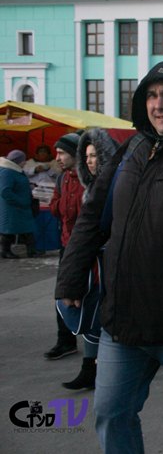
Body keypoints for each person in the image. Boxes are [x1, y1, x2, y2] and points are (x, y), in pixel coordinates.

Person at [55, 60, 163, 454]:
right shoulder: (132, 149)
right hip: (122, 326)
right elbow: (92, 216)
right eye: (151, 95)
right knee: (110, 414)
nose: (159, 104)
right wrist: (70, 277)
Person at [59, 128, 120, 390]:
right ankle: (90, 367)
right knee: (91, 313)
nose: (90, 161)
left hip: (109, 264)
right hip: (88, 261)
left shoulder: (117, 188)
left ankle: (95, 368)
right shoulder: (87, 187)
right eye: (86, 157)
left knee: (99, 315)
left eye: (94, 155)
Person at [45, 131, 84, 360]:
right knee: (63, 293)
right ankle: (65, 340)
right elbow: (54, 208)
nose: (57, 158)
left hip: (88, 247)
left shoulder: (89, 178)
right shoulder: (62, 179)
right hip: (66, 244)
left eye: (61, 153)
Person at [0, 149, 36, 259]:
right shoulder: (8, 172)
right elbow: (5, 191)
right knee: (9, 231)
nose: (25, 162)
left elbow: (17, 185)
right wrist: (21, 201)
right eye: (23, 160)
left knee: (26, 229)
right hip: (12, 208)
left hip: (20, 207)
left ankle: (31, 251)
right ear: (18, 161)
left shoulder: (15, 170)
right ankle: (5, 251)